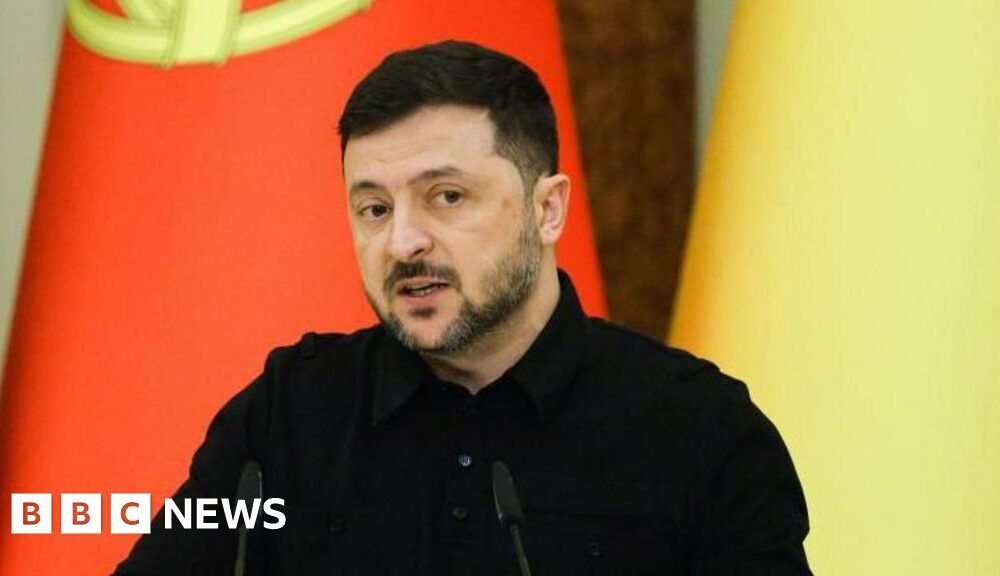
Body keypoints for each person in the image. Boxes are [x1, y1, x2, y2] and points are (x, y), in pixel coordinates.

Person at [115, 40, 811, 575]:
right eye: (374, 208)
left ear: (547, 209)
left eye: (446, 197)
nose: (403, 242)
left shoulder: (698, 430)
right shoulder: (287, 417)